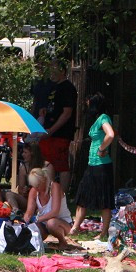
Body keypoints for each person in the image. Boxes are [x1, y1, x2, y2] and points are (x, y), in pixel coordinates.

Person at [69, 93, 116, 238]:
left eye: (88, 103)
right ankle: (75, 228)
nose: (87, 105)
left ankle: (104, 232)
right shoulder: (96, 120)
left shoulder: (103, 118)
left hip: (102, 166)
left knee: (104, 199)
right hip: (92, 164)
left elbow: (111, 134)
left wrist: (102, 148)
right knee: (82, 196)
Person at [39, 59, 78, 191]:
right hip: (47, 131)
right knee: (46, 162)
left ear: (62, 71)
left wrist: (52, 130)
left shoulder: (68, 88)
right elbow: (53, 107)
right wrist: (44, 111)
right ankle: (48, 193)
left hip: (60, 133)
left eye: (54, 69)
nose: (51, 73)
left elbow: (67, 113)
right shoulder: (53, 87)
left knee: (61, 165)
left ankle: (62, 195)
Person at [24, 167, 75, 247]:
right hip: (43, 223)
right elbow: (29, 211)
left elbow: (55, 212)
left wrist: (37, 219)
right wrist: (27, 218)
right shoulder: (34, 191)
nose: (36, 188)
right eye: (34, 186)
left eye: (37, 185)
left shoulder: (55, 187)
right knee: (33, 229)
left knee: (51, 223)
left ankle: (63, 242)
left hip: (62, 223)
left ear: (43, 180)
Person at [5, 142, 55, 214]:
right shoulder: (23, 168)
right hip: (29, 199)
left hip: (44, 199)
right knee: (9, 194)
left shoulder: (47, 166)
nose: (22, 155)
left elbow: (51, 187)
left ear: (32, 154)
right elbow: (20, 189)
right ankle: (16, 211)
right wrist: (24, 190)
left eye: (25, 152)